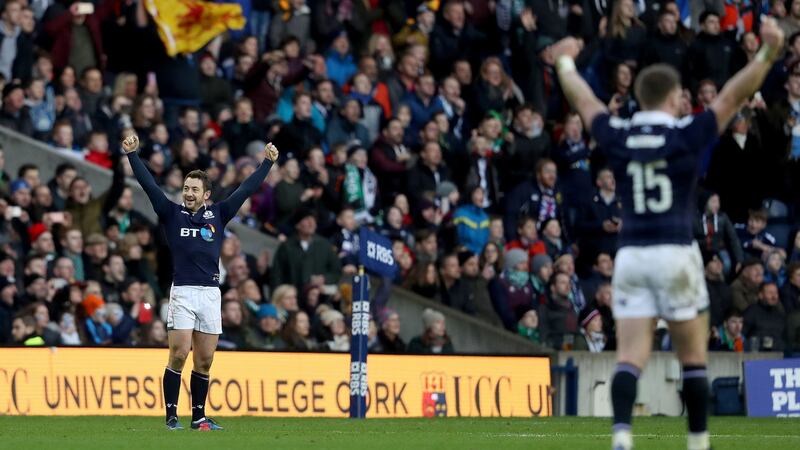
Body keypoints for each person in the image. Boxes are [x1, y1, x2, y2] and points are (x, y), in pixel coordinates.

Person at [550, 16, 784, 450]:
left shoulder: (619, 134)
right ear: (675, 99)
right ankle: (697, 441)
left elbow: (584, 101)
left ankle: (622, 436)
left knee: (629, 357)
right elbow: (733, 95)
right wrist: (769, 52)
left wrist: (564, 62)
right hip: (675, 252)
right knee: (693, 357)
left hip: (632, 255)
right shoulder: (686, 134)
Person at [122, 133, 279, 431]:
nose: (189, 193)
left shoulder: (219, 214)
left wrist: (267, 164)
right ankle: (171, 416)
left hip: (210, 294)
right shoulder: (171, 213)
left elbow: (245, 189)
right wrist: (132, 155)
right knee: (179, 353)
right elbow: (149, 185)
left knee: (204, 361)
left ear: (206, 194)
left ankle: (198, 417)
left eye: (194, 189)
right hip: (182, 292)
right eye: (186, 188)